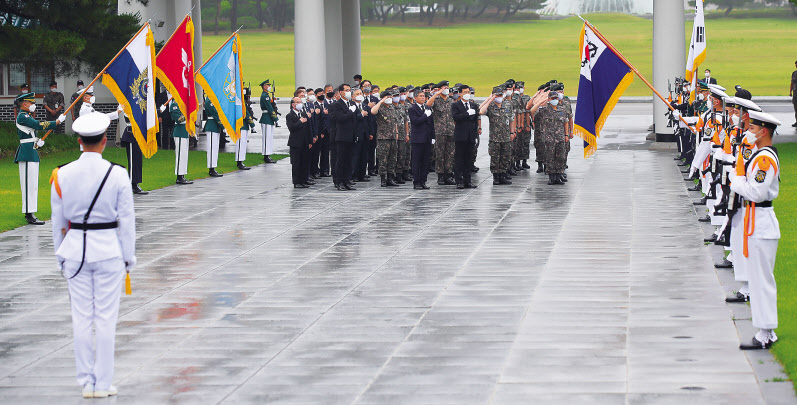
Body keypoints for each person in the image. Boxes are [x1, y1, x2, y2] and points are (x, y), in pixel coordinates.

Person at [50, 112, 136, 399]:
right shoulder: (118, 173)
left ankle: (87, 382)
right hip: (109, 250)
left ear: (79, 142)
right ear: (103, 142)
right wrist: (128, 258)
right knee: (106, 319)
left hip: (74, 250)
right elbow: (127, 222)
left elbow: (58, 223)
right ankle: (103, 383)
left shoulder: (61, 174)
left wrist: (60, 256)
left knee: (82, 319)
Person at [730, 111, 781, 350]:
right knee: (758, 279)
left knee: (762, 281)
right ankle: (765, 330)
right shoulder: (760, 155)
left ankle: (766, 333)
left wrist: (736, 180)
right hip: (755, 221)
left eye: (753, 129)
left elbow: (757, 192)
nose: (749, 132)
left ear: (764, 132)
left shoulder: (765, 160)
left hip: (761, 221)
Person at [15, 92, 67, 224]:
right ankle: (28, 214)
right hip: (26, 154)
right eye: (31, 102)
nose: (33, 105)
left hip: (31, 152)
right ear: (25, 104)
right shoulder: (23, 116)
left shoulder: (26, 116)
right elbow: (38, 125)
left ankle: (31, 212)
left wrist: (37, 142)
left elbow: (30, 134)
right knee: (28, 185)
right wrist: (56, 122)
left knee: (32, 185)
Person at [529, 89, 569, 185]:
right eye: (552, 98)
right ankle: (552, 177)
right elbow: (532, 111)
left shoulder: (562, 110)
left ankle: (558, 175)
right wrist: (540, 103)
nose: (554, 100)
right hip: (548, 138)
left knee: (560, 157)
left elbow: (566, 122)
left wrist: (566, 134)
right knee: (550, 158)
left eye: (555, 98)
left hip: (560, 137)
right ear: (549, 99)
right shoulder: (544, 110)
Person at [481, 86, 514, 185]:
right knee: (495, 157)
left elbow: (512, 119)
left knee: (505, 157)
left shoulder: (508, 105)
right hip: (495, 138)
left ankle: (503, 175)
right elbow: (481, 111)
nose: (499, 97)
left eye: (500, 95)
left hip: (506, 136)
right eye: (497, 95)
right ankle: (496, 177)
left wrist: (512, 132)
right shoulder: (490, 106)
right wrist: (489, 99)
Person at [427, 80, 456, 185]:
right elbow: (428, 105)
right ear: (439, 89)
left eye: (447, 87)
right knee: (440, 154)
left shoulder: (451, 101)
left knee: (450, 154)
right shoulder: (436, 99)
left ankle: (448, 174)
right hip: (440, 131)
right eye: (444, 87)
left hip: (451, 131)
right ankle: (440, 176)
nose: (446, 89)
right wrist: (436, 94)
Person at [330, 84, 357, 190]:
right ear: (341, 92)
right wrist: (350, 111)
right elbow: (340, 118)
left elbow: (354, 120)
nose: (349, 92)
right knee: (340, 160)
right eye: (346, 90)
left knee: (348, 160)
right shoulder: (337, 104)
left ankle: (346, 180)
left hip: (351, 135)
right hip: (342, 136)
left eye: (349, 90)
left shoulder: (351, 103)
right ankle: (339, 181)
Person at [451, 84, 479, 189]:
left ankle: (468, 181)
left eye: (468, 92)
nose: (467, 94)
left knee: (469, 159)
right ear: (460, 93)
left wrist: (475, 134)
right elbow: (456, 117)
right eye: (465, 92)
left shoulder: (473, 105)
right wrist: (466, 114)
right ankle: (459, 180)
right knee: (459, 159)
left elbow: (475, 121)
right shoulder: (456, 105)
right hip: (460, 136)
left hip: (470, 136)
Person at [371, 89, 400, 187]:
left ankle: (390, 178)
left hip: (392, 137)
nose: (390, 99)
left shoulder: (392, 108)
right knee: (383, 159)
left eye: (391, 97)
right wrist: (381, 101)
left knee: (393, 159)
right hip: (383, 138)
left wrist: (396, 132)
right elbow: (373, 111)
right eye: (388, 97)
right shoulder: (380, 107)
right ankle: (383, 179)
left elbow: (395, 122)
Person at [408, 88, 434, 189]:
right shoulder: (412, 109)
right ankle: (417, 182)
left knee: (426, 161)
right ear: (415, 98)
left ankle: (423, 181)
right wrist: (424, 116)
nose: (423, 98)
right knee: (416, 161)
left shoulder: (427, 108)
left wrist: (433, 137)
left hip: (427, 138)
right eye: (421, 96)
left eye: (424, 96)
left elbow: (431, 124)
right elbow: (415, 121)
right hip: (418, 139)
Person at [287, 96, 313, 188]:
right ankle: (297, 181)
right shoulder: (290, 115)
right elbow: (291, 127)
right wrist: (300, 122)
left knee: (305, 162)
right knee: (296, 163)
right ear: (293, 104)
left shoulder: (303, 113)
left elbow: (308, 128)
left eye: (300, 102)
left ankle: (304, 180)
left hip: (305, 142)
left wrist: (310, 141)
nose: (300, 104)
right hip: (296, 143)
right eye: (298, 102)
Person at [119, 113, 148, 194]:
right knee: (133, 161)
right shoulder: (127, 104)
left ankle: (136, 183)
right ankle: (132, 184)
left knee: (138, 160)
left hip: (138, 133)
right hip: (131, 134)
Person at [170, 99, 193, 185]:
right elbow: (178, 119)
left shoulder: (182, 103)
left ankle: (182, 175)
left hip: (184, 131)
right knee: (180, 155)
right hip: (179, 131)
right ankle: (179, 177)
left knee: (184, 155)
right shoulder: (174, 104)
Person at [202, 96, 223, 177]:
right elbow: (215, 113)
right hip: (211, 125)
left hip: (215, 126)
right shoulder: (209, 100)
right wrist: (222, 124)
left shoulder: (214, 98)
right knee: (211, 148)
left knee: (215, 148)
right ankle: (211, 169)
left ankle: (213, 167)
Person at [259, 79, 278, 163]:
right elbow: (269, 108)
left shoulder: (266, 95)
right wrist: (275, 118)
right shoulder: (265, 96)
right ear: (264, 87)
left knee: (269, 137)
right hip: (266, 118)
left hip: (268, 118)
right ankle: (266, 156)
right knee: (267, 138)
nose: (269, 87)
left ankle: (268, 155)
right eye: (268, 85)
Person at [236, 87, 255, 170]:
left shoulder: (242, 101)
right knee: (241, 143)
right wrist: (252, 123)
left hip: (244, 124)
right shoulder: (240, 101)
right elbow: (246, 113)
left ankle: (241, 161)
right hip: (241, 124)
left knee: (243, 143)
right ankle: (239, 162)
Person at [790, 60, 797, 127]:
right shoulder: (794, 73)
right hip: (795, 93)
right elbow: (792, 83)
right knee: (796, 108)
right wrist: (790, 92)